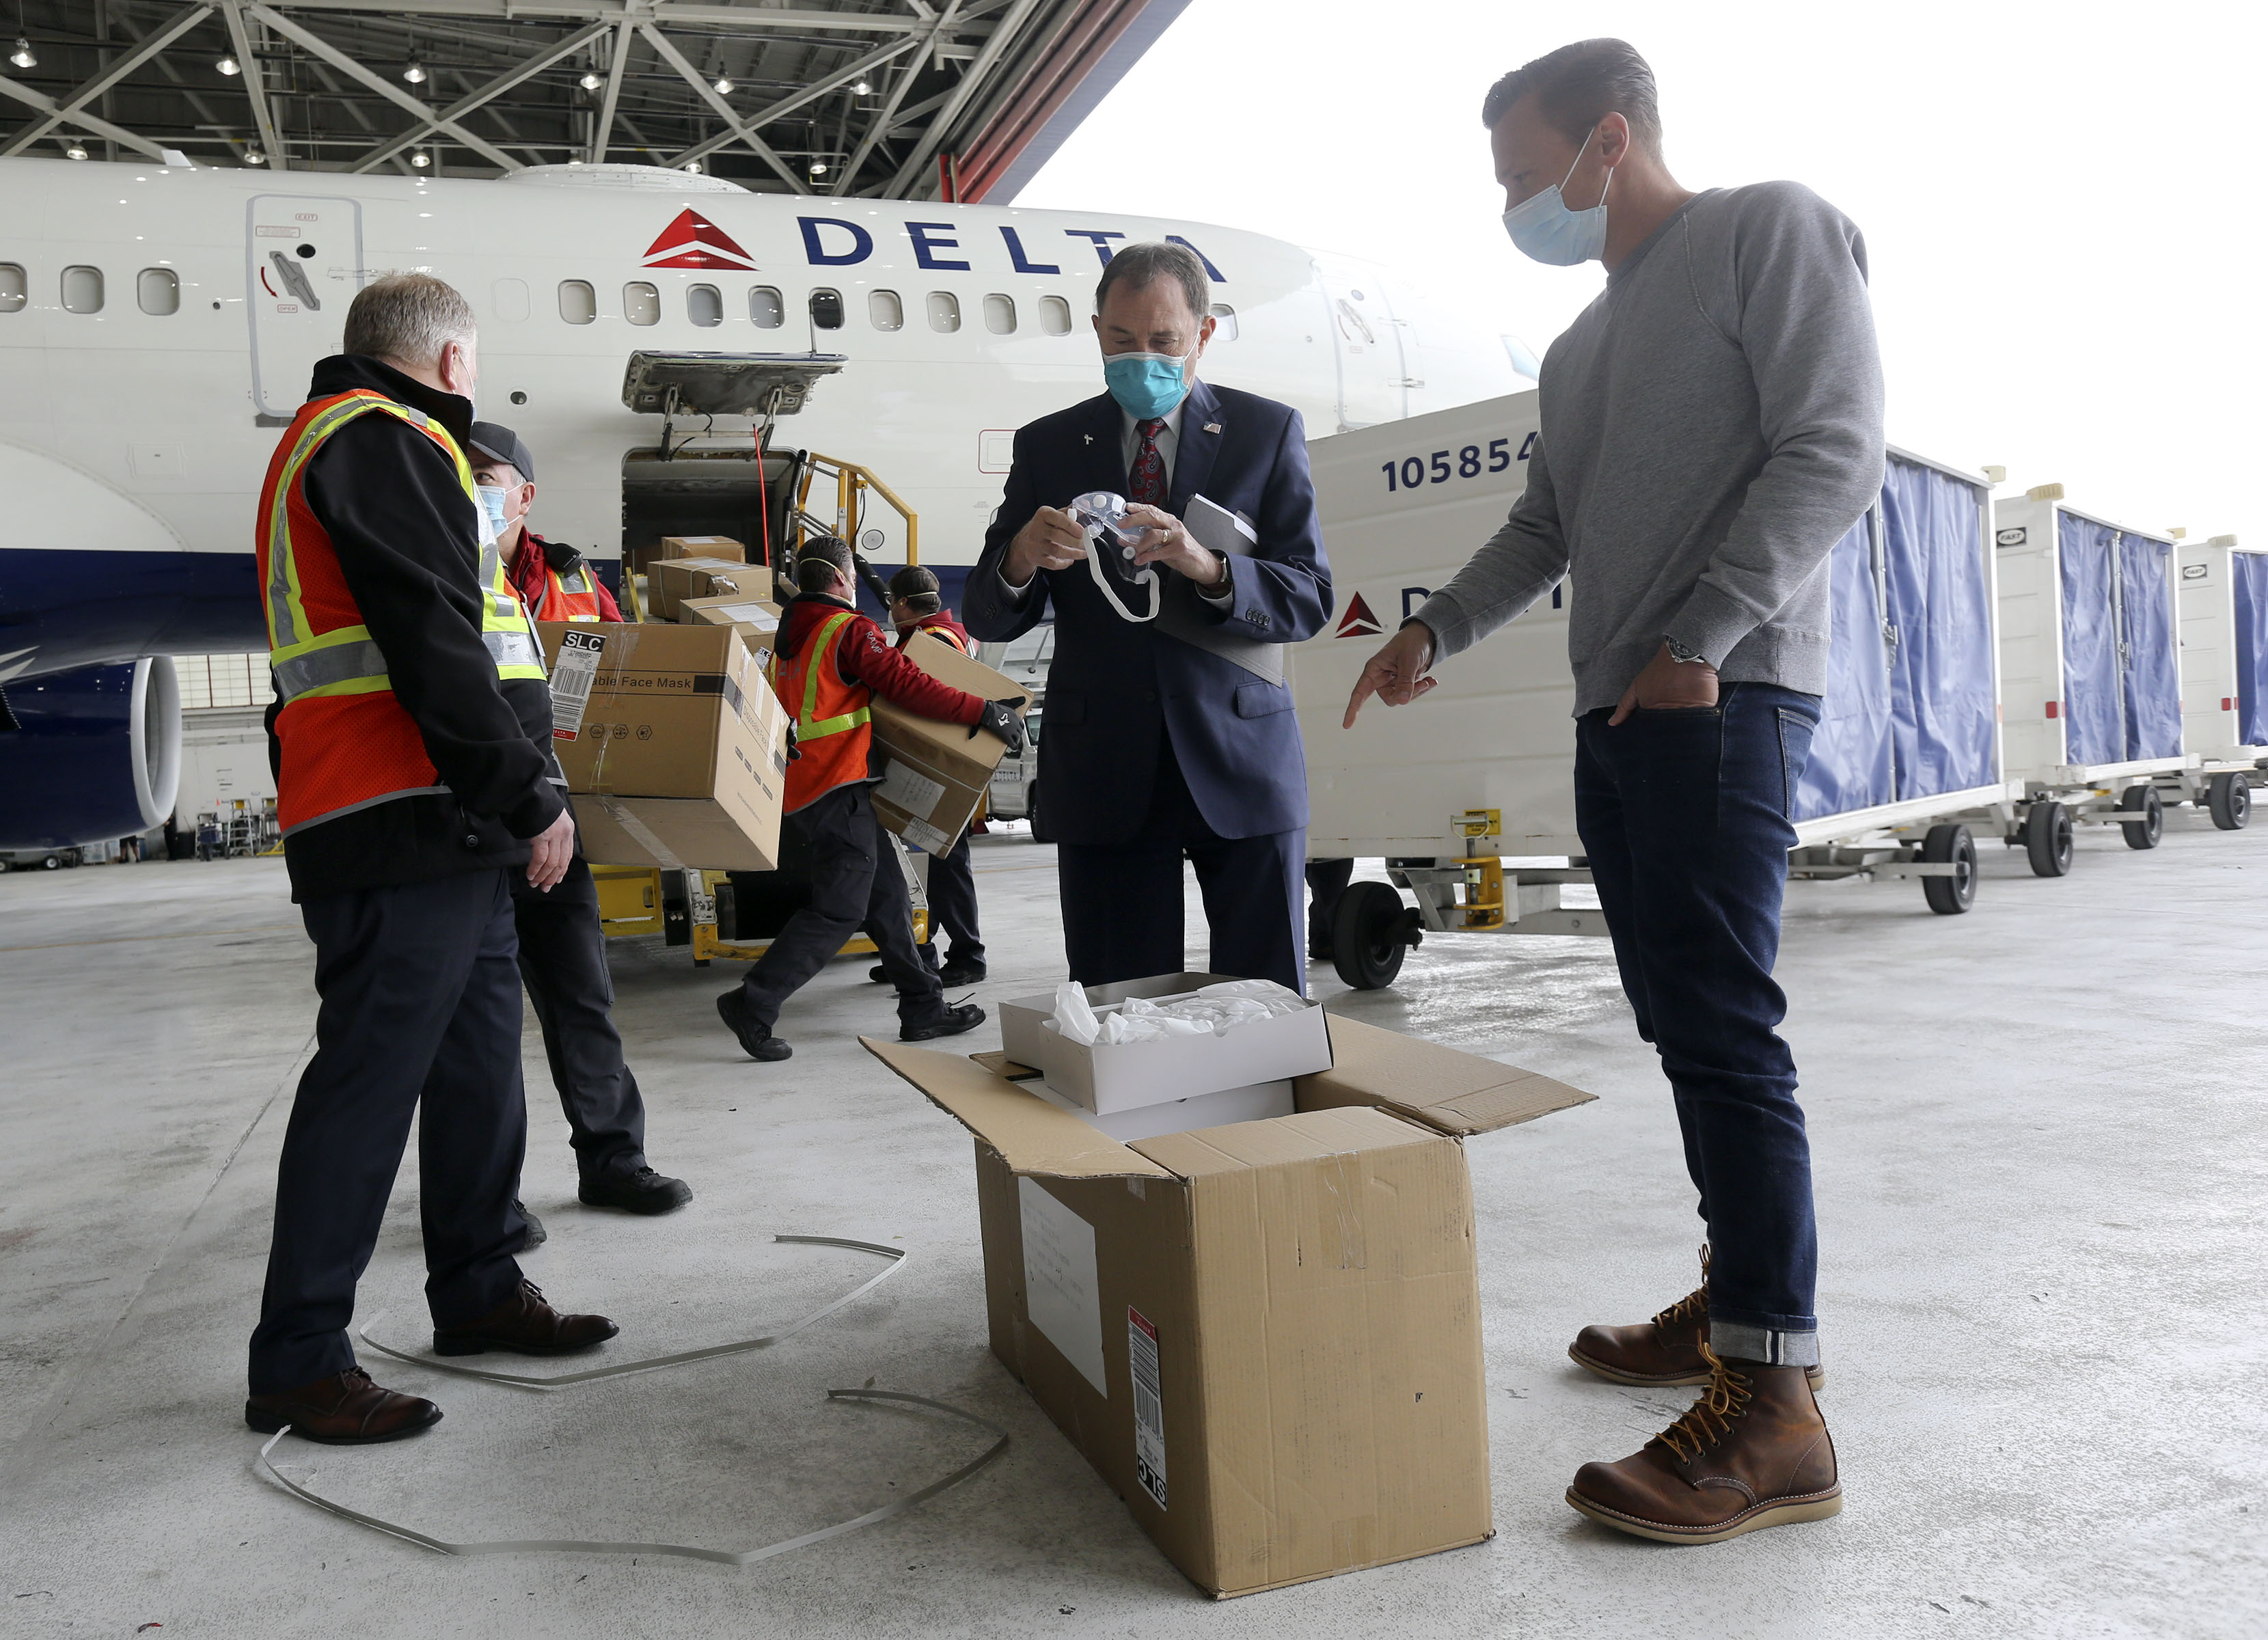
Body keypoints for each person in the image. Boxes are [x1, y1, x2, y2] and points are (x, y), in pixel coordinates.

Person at [1346, 40, 1882, 1543]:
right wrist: (1432, 630)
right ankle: (1736, 1300)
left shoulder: (1767, 229)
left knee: (1723, 1029)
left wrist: (1702, 639)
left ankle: (1776, 1409)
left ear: (1608, 139)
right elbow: (1544, 524)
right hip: (1620, 715)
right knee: (1679, 1023)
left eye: (1526, 174)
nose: (1518, 202)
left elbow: (1833, 450)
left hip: (1721, 696)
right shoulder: (1580, 350)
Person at [244, 274, 617, 1447]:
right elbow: (430, 632)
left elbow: (469, 636)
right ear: (452, 361)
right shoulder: (380, 438)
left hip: (442, 816)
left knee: (473, 1067)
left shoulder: (376, 444)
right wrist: (524, 790)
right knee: (370, 1082)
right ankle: (299, 1358)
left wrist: (512, 798)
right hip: (394, 810)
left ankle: (479, 1284)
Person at [964, 242, 1332, 994]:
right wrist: (1021, 559)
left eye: (1163, 341)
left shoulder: (1265, 433)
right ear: (1098, 333)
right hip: (1104, 772)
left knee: (1266, 1008)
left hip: (1241, 761)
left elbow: (1309, 596)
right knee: (1119, 1012)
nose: (1142, 358)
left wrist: (1209, 566)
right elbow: (987, 615)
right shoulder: (1050, 445)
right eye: (1122, 340)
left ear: (1202, 335)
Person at [465, 421, 692, 1226]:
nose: (473, 487)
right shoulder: (426, 566)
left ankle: (614, 1160)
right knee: (477, 1030)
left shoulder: (572, 582)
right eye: (460, 472)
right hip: (470, 828)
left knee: (580, 999)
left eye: (487, 476)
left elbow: (632, 686)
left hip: (555, 829)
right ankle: (486, 1204)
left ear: (525, 494)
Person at [715, 537, 1020, 1062]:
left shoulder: (791, 633)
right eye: (852, 578)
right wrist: (983, 712)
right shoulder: (845, 629)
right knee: (840, 909)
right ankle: (754, 1001)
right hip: (837, 782)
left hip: (809, 785)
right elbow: (907, 684)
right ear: (838, 578)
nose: (857, 588)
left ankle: (922, 1007)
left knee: (887, 898)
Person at [866, 564, 988, 987]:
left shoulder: (930, 642)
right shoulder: (952, 634)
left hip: (941, 767)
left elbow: (913, 695)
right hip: (943, 763)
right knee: (932, 862)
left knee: (948, 862)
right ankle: (922, 953)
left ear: (901, 603)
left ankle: (968, 955)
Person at [467, 422, 625, 623]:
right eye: (456, 475)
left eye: (482, 477)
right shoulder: (430, 567)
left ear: (525, 498)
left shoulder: (574, 578)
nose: (465, 487)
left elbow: (620, 648)